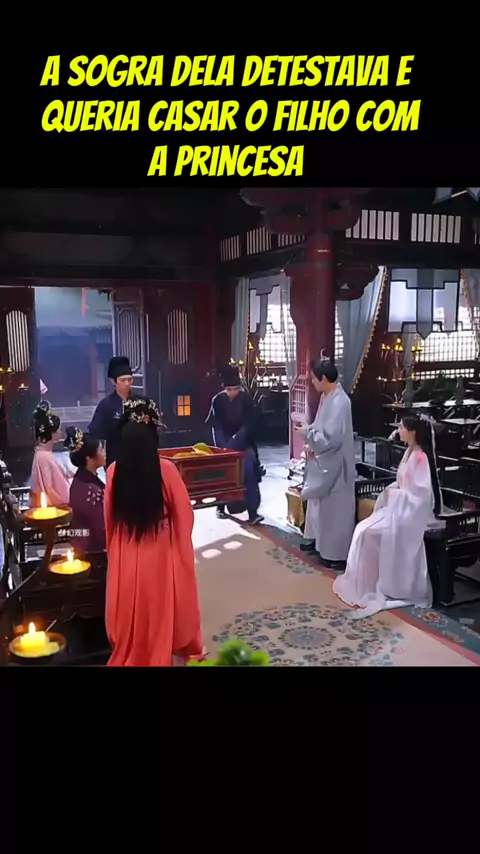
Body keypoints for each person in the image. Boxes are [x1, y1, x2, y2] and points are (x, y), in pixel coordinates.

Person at [104, 397, 204, 666]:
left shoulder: (113, 471)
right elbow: (185, 514)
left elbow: (109, 518)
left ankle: (134, 650)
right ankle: (160, 649)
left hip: (126, 544)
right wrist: (178, 545)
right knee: (160, 604)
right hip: (160, 547)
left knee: (131, 604)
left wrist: (114, 548)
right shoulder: (166, 470)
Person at [333, 415, 440, 619]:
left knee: (370, 534)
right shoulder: (409, 453)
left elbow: (421, 496)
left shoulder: (420, 458)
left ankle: (382, 584)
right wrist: (391, 491)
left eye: (402, 427)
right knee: (362, 529)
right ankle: (366, 584)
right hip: (398, 509)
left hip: (410, 515)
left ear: (413, 431)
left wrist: (396, 495)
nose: (398, 430)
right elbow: (402, 483)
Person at [294, 359, 355, 569]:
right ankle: (317, 542)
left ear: (324, 378)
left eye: (314, 379)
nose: (312, 382)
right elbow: (320, 426)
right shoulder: (326, 397)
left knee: (335, 510)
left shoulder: (341, 402)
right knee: (318, 505)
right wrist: (310, 439)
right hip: (323, 457)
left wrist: (308, 435)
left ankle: (336, 554)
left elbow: (332, 438)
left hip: (336, 461)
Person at [206, 366, 263, 525]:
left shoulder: (246, 399)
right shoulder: (217, 400)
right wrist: (222, 447)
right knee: (223, 475)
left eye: (235, 389)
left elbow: (248, 424)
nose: (232, 392)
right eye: (228, 389)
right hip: (224, 444)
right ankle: (220, 507)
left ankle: (253, 512)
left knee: (249, 473)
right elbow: (216, 426)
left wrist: (237, 440)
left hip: (244, 443)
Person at [64, 427, 106, 554]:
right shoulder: (91, 490)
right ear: (89, 459)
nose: (104, 453)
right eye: (101, 450)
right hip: (93, 552)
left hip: (82, 545)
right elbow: (100, 530)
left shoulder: (81, 479)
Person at [88, 356, 136, 468]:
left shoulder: (141, 401)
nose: (127, 383)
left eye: (129, 380)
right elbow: (96, 432)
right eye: (123, 380)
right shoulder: (105, 405)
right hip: (115, 457)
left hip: (138, 455)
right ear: (113, 382)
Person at [30, 401, 70, 508]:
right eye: (58, 430)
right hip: (53, 507)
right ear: (51, 433)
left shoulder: (43, 454)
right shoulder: (45, 457)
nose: (60, 432)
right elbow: (51, 488)